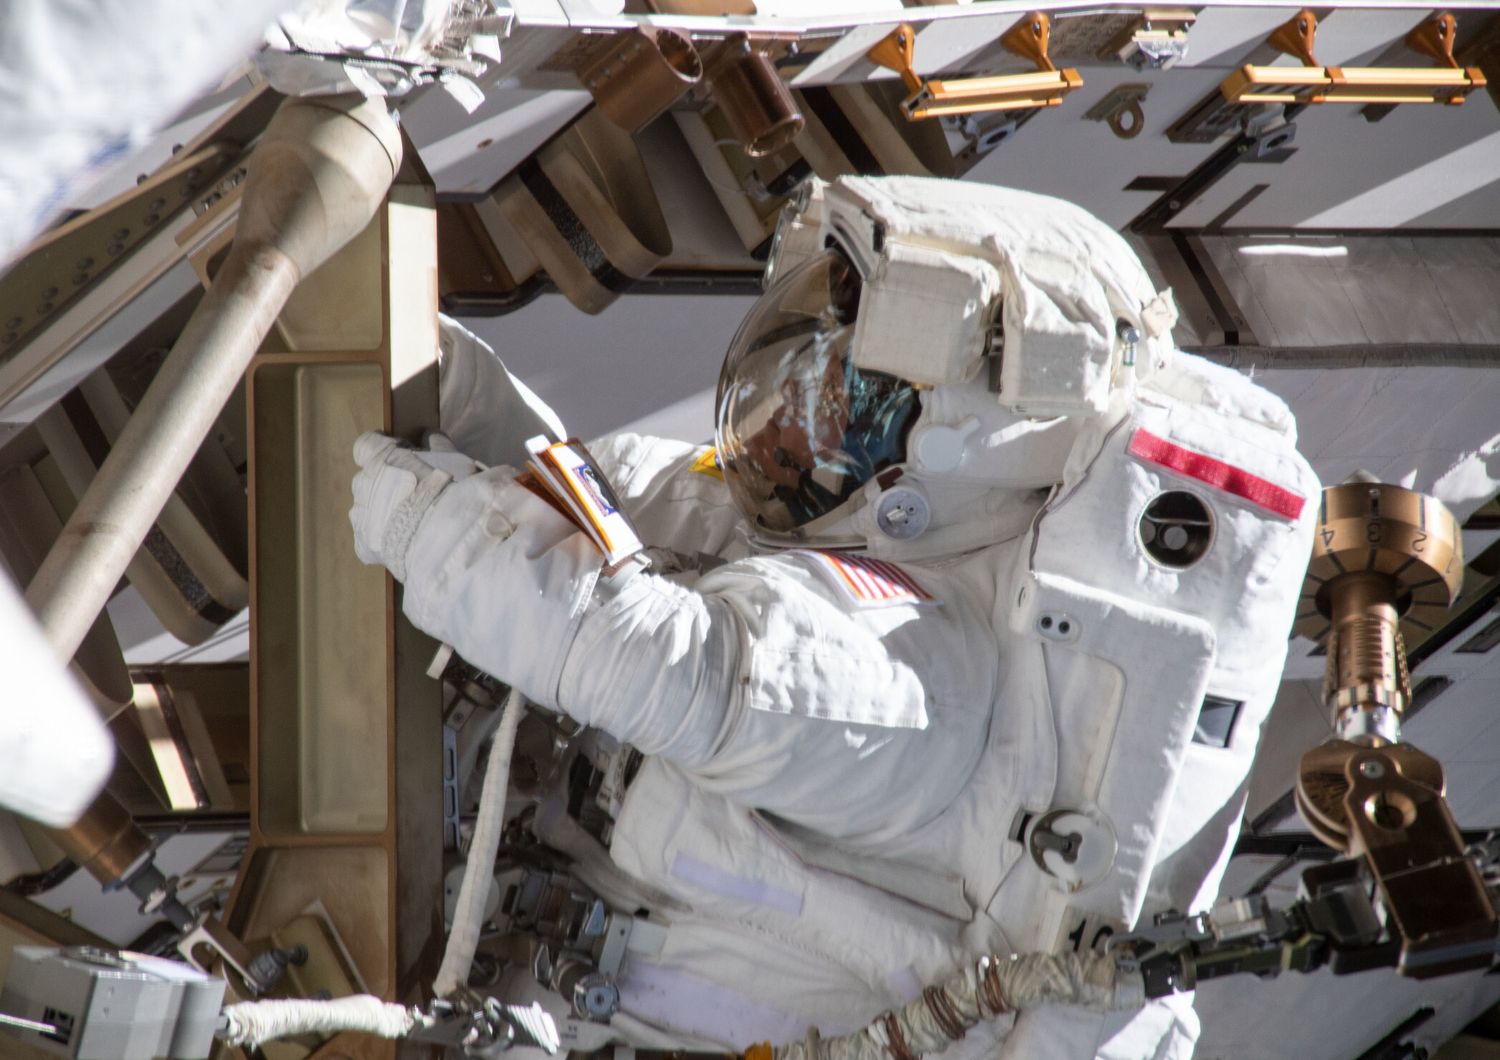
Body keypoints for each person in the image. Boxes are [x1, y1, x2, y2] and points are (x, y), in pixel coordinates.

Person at [350, 176, 1320, 1057]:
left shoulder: (931, 685)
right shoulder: (825, 519)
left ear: (948, 460)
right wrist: (435, 384)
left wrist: (430, 527)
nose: (795, 416)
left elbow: (673, 663)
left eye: (847, 400)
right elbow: (598, 509)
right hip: (476, 895)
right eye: (806, 364)